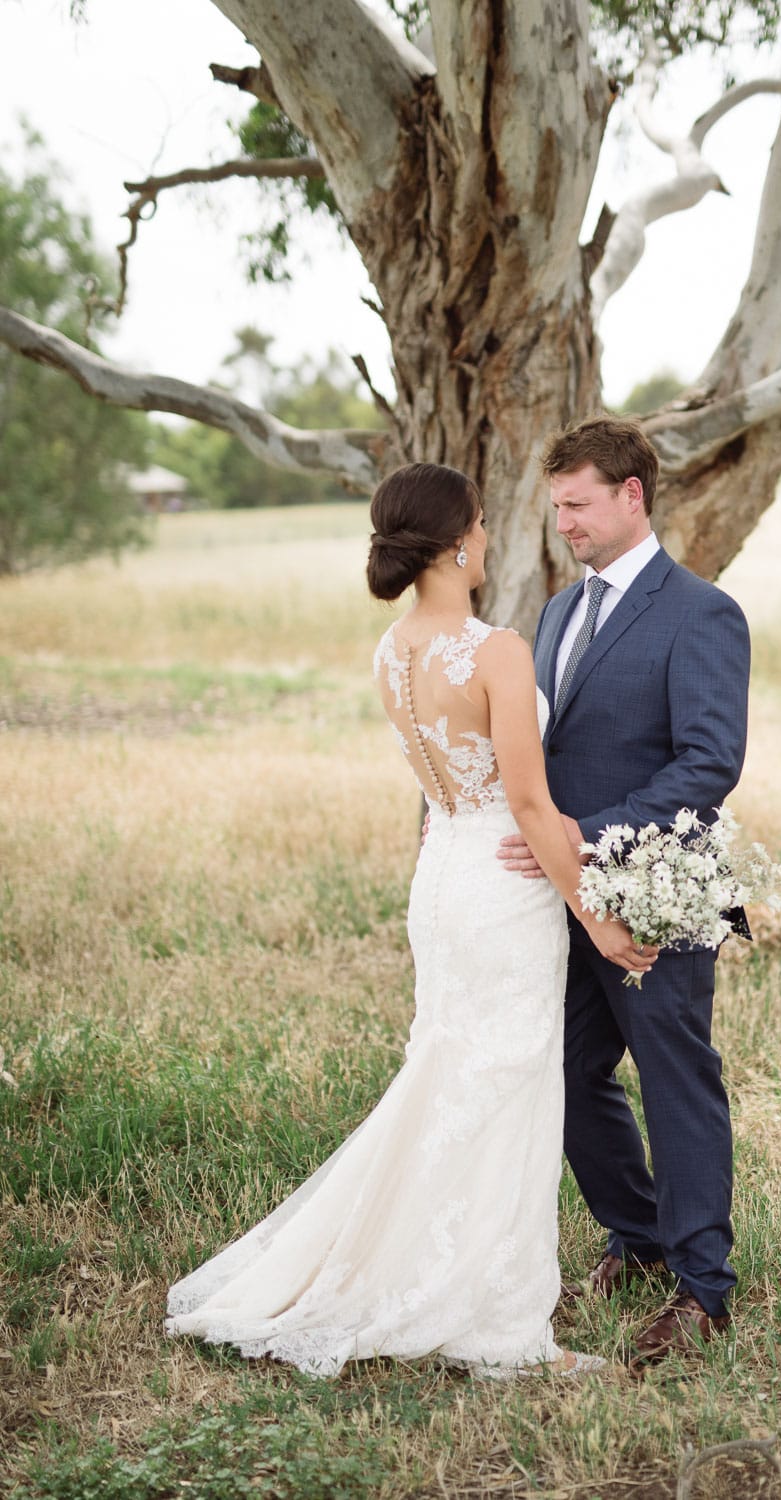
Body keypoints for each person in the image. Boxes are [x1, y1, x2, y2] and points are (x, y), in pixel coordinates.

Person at [165, 461, 652, 1381]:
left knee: (448, 1076)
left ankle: (415, 1272)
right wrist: (599, 921)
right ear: (459, 539)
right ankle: (501, 1324)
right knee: (504, 1089)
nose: (487, 538)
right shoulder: (495, 649)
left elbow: (443, 794)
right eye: (479, 523)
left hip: (441, 881)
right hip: (501, 892)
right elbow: (531, 805)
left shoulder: (391, 649)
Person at [498, 417, 750, 1367]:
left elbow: (707, 762)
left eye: (577, 503)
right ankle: (636, 1238)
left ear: (631, 495)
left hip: (656, 890)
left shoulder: (702, 612)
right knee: (562, 1069)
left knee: (677, 1081)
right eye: (555, 505)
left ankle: (702, 1290)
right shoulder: (560, 611)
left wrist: (586, 838)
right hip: (565, 896)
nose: (562, 521)